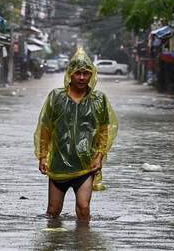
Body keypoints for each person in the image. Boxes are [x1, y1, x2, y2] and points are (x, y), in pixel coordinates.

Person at [34, 47, 118, 222]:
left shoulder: (98, 99)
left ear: (91, 75)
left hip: (86, 165)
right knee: (53, 211)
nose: (81, 78)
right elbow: (45, 128)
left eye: (86, 73)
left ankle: (84, 242)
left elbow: (105, 130)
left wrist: (99, 156)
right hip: (58, 164)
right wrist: (42, 157)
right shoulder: (56, 97)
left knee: (83, 208)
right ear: (70, 74)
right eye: (78, 73)